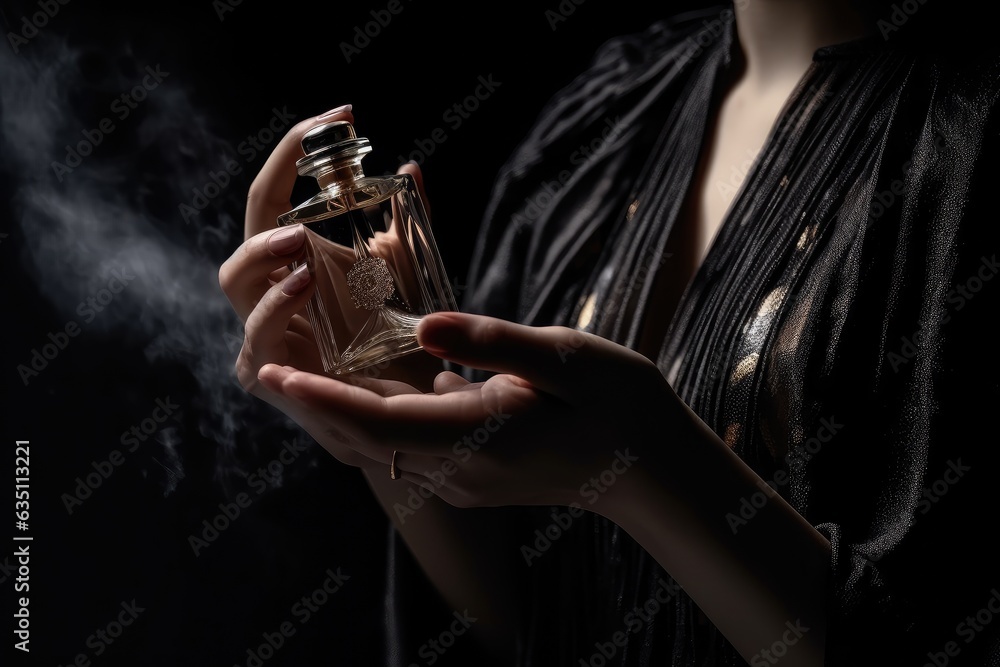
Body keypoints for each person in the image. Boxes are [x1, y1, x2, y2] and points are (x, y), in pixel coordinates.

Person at [219, 1, 1000, 664]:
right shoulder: (606, 107)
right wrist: (398, 415)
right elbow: (520, 623)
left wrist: (642, 469)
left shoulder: (974, 137)